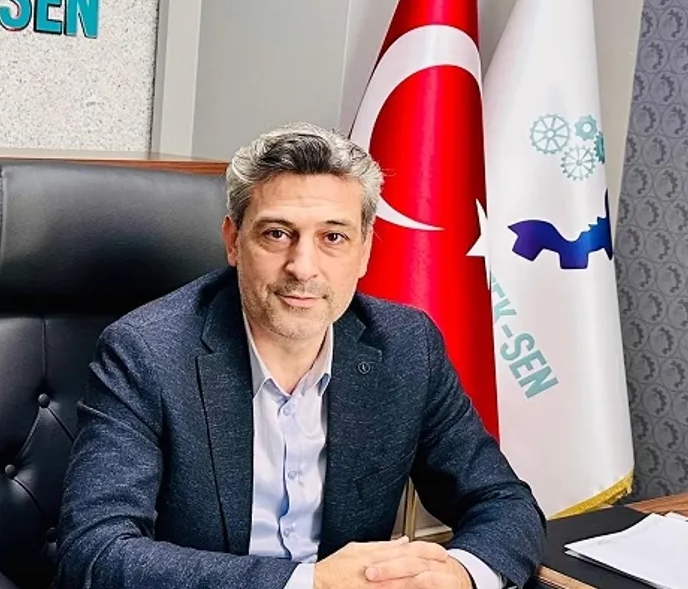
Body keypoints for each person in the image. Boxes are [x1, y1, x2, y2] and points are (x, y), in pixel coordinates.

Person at [54, 123, 545, 589]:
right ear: (233, 241)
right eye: (276, 233)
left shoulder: (405, 345)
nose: (303, 267)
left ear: (365, 250)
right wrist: (311, 583)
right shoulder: (146, 352)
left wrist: (459, 574)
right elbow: (94, 553)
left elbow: (503, 501)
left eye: (333, 237)